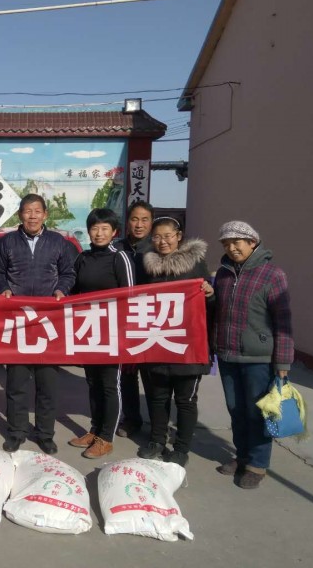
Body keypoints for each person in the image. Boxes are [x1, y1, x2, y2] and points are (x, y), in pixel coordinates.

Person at [0, 193, 76, 455]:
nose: (32, 216)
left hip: (48, 322)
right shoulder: (8, 242)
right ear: (20, 214)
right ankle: (16, 432)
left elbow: (68, 273)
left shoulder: (57, 242)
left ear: (45, 214)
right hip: (18, 322)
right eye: (27, 211)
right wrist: (3, 288)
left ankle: (45, 434)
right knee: (16, 383)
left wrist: (62, 289)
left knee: (47, 384)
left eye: (37, 211)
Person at [214, 221, 293, 489]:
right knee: (236, 410)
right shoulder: (223, 273)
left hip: (258, 359)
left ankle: (258, 465)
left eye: (237, 242)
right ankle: (242, 456)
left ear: (252, 242)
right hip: (228, 355)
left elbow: (283, 320)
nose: (231, 248)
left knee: (257, 413)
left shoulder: (272, 275)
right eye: (226, 243)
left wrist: (283, 361)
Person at [136, 217, 214, 467]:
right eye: (157, 237)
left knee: (185, 400)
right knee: (158, 397)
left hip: (188, 345)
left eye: (168, 236)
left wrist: (209, 294)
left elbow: (209, 302)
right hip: (158, 342)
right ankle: (157, 440)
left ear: (179, 236)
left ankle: (181, 448)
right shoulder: (147, 265)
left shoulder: (195, 263)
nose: (163, 242)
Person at [68, 208, 134, 459]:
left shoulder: (120, 257)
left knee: (109, 385)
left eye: (105, 228)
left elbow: (130, 296)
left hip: (113, 333)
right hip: (88, 331)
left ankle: (106, 438)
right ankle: (94, 430)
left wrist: (125, 333)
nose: (99, 233)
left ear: (114, 232)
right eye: (95, 228)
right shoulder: (83, 258)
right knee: (93, 382)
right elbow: (73, 291)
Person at [112, 200, 155, 438]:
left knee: (152, 375)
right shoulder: (117, 248)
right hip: (122, 320)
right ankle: (131, 419)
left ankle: (158, 424)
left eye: (144, 220)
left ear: (151, 222)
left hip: (152, 319)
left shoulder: (159, 247)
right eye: (134, 219)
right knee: (127, 374)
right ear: (127, 222)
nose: (139, 225)